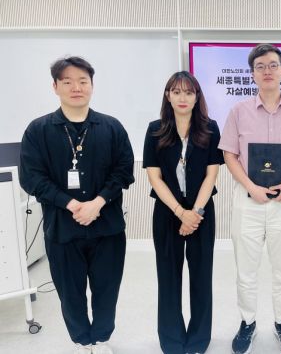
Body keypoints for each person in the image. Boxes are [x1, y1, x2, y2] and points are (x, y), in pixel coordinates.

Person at [19, 56, 135, 354]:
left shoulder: (111, 127)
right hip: (62, 229)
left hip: (107, 227)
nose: (76, 87)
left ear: (92, 86)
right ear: (55, 86)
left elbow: (124, 171)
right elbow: (32, 178)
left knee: (107, 290)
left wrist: (98, 202)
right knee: (70, 294)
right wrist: (71, 204)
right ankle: (82, 342)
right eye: (68, 82)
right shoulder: (38, 130)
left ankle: (101, 339)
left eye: (83, 81)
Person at [218, 43, 281, 354]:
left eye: (273, 65)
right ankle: (247, 322)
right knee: (246, 270)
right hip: (248, 200)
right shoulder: (238, 111)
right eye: (260, 66)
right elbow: (230, 155)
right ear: (253, 74)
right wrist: (251, 186)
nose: (267, 71)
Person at [143, 71, 224, 354]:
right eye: (176, 92)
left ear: (197, 97)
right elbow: (154, 178)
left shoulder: (210, 129)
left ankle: (199, 339)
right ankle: (172, 340)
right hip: (167, 213)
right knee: (168, 278)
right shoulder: (155, 130)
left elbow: (211, 175)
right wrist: (181, 212)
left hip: (201, 214)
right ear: (168, 95)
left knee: (201, 278)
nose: (182, 98)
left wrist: (195, 213)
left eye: (189, 92)